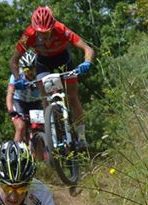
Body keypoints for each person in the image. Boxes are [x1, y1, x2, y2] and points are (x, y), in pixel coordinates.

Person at [9, 5, 94, 146]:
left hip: (63, 60)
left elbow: (87, 49)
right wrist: (18, 79)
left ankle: (81, 136)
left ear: (52, 27)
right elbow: (13, 61)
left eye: (47, 32)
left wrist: (87, 62)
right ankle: (52, 130)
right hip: (43, 63)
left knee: (73, 97)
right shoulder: (28, 35)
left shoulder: (61, 29)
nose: (43, 36)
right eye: (39, 33)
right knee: (45, 97)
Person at [6, 50, 42, 144]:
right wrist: (10, 110)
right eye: (26, 69)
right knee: (20, 127)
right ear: (22, 68)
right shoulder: (16, 75)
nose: (30, 72)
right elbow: (10, 94)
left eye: (32, 68)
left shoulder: (40, 74)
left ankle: (41, 153)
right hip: (19, 103)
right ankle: (16, 153)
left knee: (39, 128)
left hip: (35, 103)